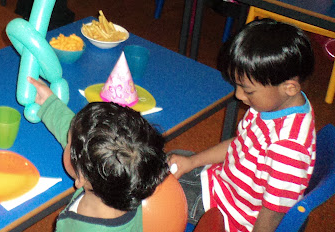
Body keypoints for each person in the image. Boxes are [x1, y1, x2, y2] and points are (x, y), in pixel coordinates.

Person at [169, 20, 315, 231]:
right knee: (165, 162)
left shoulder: (288, 149)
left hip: (229, 215)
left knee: (150, 188)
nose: (238, 95)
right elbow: (239, 145)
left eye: (247, 90)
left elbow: (273, 214)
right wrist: (192, 162)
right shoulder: (271, 103)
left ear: (289, 87)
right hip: (224, 184)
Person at [29, 76, 168, 231]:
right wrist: (49, 104)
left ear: (81, 176)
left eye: (69, 142)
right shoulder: (129, 182)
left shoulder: (75, 228)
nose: (67, 139)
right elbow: (87, 139)